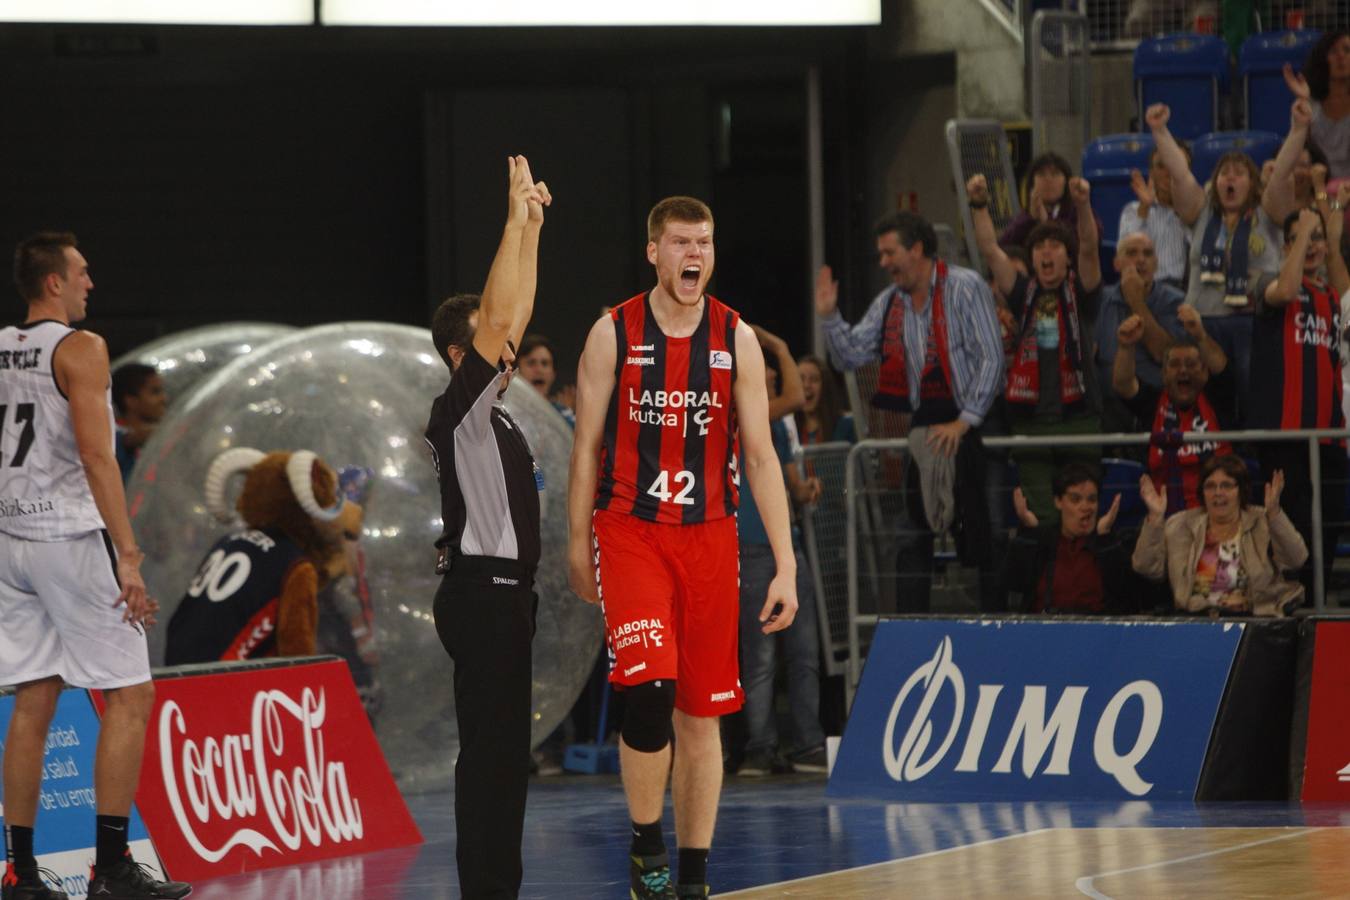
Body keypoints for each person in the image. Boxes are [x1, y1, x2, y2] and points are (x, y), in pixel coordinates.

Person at [567, 196, 798, 900]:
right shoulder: (613, 331)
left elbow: (760, 457)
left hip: (710, 537)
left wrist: (786, 563)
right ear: (653, 253)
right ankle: (646, 852)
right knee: (650, 692)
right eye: (678, 242)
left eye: (703, 241)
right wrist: (578, 545)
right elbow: (584, 449)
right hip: (631, 530)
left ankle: (692, 878)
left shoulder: (738, 339)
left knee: (701, 716)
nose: (692, 253)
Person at [0, 232, 190, 900]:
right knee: (132, 694)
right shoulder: (80, 348)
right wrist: (128, 555)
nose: (90, 282)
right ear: (52, 282)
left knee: (33, 699)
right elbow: (97, 455)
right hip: (69, 539)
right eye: (81, 272)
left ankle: (19, 874)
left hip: (10, 539)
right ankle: (111, 867)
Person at [424, 156, 551, 900]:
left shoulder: (492, 409)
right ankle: (487, 893)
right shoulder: (461, 409)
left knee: (505, 758)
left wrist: (532, 232)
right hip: (483, 595)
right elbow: (503, 320)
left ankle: (497, 887)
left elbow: (514, 315)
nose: (509, 346)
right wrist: (510, 220)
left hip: (505, 600)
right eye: (488, 342)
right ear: (457, 353)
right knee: (491, 760)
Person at [816, 211, 1007, 613]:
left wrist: (963, 422)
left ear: (917, 249)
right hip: (925, 431)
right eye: (880, 254)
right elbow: (850, 355)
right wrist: (830, 317)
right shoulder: (890, 302)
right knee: (911, 536)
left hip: (977, 426)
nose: (883, 262)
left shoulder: (966, 286)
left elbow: (992, 359)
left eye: (889, 253)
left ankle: (998, 633)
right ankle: (908, 634)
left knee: (986, 535)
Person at [1147, 100, 1305, 416]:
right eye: (1224, 174)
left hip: (1254, 322)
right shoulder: (1201, 211)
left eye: (1239, 173)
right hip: (1202, 322)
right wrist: (1160, 130)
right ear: (1215, 182)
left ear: (1253, 182)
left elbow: (1284, 170)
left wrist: (1299, 127)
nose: (1229, 179)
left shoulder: (1267, 211)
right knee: (1205, 405)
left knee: (1253, 398)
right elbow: (1180, 174)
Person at [969, 173, 1102, 523]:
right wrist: (980, 204)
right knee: (1041, 520)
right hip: (1031, 423)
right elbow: (989, 249)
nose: (1046, 251)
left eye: (1055, 246)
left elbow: (1088, 245)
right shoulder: (1022, 292)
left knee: (1082, 517)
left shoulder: (1084, 292)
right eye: (1039, 246)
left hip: (1079, 418)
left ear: (1068, 259)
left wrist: (1083, 204)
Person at [1247, 207, 1349, 599]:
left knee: (1330, 525)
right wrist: (1305, 227)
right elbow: (1286, 291)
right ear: (1287, 245)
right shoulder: (1268, 282)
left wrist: (1330, 240)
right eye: (1301, 238)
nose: (1311, 245)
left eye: (1317, 239)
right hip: (1284, 433)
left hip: (1329, 435)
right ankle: (1293, 604)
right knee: (1293, 529)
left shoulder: (1329, 297)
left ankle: (1318, 603)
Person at [733, 337, 824, 778]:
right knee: (761, 658)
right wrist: (778, 345)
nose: (770, 375)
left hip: (785, 547)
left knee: (804, 650)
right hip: (748, 549)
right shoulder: (733, 413)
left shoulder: (766, 426)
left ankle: (807, 744)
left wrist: (804, 492)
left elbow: (788, 478)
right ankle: (760, 748)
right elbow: (793, 397)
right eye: (764, 369)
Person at [1133, 457, 1306, 616]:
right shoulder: (1180, 525)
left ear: (1241, 490)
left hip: (1253, 622)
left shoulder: (1263, 521)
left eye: (1226, 485)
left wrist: (1275, 513)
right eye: (1210, 486)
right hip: (1196, 621)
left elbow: (1296, 559)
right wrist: (1155, 519)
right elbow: (1147, 568)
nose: (1218, 492)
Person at [1114, 310, 1234, 515]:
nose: (1183, 371)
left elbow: (1221, 367)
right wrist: (1126, 346)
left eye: (1191, 364)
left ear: (1204, 372)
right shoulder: (1152, 403)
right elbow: (1124, 385)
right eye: (1175, 364)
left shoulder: (1218, 399)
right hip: (1166, 519)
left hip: (1216, 515)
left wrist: (1201, 336)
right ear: (1163, 374)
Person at [1004, 462, 1143, 615]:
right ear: (1058, 501)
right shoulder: (1042, 541)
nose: (1086, 507)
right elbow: (1013, 584)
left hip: (1098, 634)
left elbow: (1129, 598)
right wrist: (1028, 531)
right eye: (1075, 499)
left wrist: (1106, 539)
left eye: (1092, 499)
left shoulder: (1109, 543)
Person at [1093, 233, 1187, 433]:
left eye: (1148, 253)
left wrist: (1135, 300)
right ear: (1117, 264)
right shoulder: (1101, 301)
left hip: (1157, 409)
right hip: (1108, 410)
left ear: (1156, 263)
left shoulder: (1175, 301)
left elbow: (1165, 355)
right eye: (1132, 253)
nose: (1141, 259)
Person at [997, 152, 1105, 251]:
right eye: (1041, 174)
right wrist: (1030, 219)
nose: (1048, 179)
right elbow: (1002, 248)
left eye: (1055, 173)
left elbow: (1093, 242)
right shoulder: (1024, 218)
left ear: (1067, 181)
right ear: (1032, 183)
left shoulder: (1077, 213)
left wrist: (1046, 223)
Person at [1118, 144, 1191, 288]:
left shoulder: (1197, 211)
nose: (1169, 172)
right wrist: (1144, 208)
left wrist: (1181, 207)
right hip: (1140, 287)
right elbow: (1125, 257)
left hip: (1181, 292)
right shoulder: (1132, 210)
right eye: (1161, 166)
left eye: (1176, 165)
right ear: (1151, 173)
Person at [1285, 33, 1350, 180]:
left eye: (1347, 50)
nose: (1341, 56)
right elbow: (1298, 152)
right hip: (1316, 186)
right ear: (1321, 59)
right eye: (1333, 51)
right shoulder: (1309, 104)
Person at [110, 363, 167, 483]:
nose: (164, 398)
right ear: (131, 401)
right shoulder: (112, 436)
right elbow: (131, 438)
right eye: (155, 392)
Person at [516, 332, 575, 428]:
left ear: (553, 374)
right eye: (531, 363)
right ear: (516, 371)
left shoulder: (566, 417)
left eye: (545, 363)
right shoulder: (504, 413)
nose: (539, 370)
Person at [795, 355, 855, 446]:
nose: (806, 385)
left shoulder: (846, 426)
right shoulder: (787, 429)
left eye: (814, 379)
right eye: (801, 379)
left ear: (826, 387)